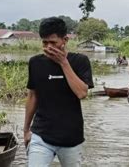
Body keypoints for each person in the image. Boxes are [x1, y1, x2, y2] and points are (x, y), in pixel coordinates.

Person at [24, 17, 94, 166]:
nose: (49, 47)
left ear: (65, 40)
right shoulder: (35, 63)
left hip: (71, 137)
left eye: (53, 42)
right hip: (41, 134)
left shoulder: (80, 61)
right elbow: (32, 96)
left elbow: (81, 93)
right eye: (45, 42)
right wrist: (26, 130)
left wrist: (63, 63)